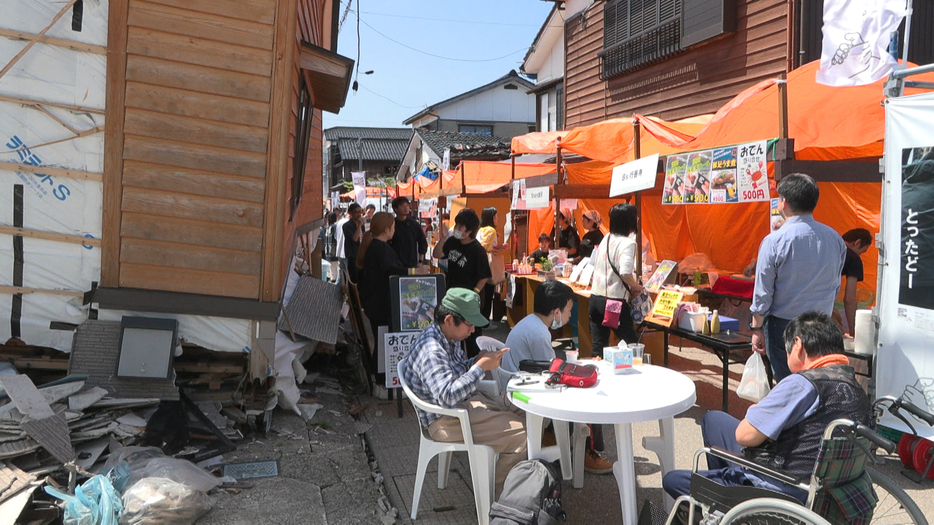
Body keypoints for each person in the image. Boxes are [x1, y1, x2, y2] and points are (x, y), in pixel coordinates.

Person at [662, 312, 871, 505]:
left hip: (780, 486)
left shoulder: (801, 383)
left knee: (673, 480)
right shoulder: (855, 387)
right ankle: (723, 500)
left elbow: (744, 436)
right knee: (713, 420)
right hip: (822, 487)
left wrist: (758, 410)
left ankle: (727, 504)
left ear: (797, 344)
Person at [398, 288, 527, 495]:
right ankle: (502, 502)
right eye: (469, 324)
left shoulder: (447, 337)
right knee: (522, 435)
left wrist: (476, 361)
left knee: (522, 411)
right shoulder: (432, 349)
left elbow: (455, 371)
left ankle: (511, 486)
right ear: (449, 320)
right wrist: (480, 368)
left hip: (462, 407)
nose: (473, 329)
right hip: (445, 419)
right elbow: (447, 396)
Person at [499, 280, 614, 474]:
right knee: (587, 396)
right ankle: (586, 452)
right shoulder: (538, 332)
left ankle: (556, 439)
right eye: (569, 310)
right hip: (525, 394)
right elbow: (554, 373)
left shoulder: (530, 323)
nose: (570, 315)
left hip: (519, 385)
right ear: (556, 311)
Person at [750, 173, 845, 382]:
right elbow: (835, 284)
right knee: (817, 383)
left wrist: (756, 328)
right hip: (822, 324)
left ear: (783, 202)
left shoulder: (774, 240)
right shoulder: (835, 238)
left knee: (789, 386)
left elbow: (763, 293)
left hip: (784, 326)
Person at [433, 208, 492, 358]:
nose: (457, 229)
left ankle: (475, 369)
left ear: (469, 231)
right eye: (457, 225)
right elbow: (437, 254)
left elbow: (484, 276)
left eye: (460, 227)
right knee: (453, 336)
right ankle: (456, 365)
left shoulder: (478, 251)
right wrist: (444, 237)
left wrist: (475, 293)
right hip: (452, 298)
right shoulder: (452, 241)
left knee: (472, 339)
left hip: (469, 301)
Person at [589, 203, 643, 358]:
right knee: (632, 344)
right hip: (613, 302)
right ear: (629, 221)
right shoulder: (628, 243)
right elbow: (625, 272)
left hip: (595, 298)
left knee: (599, 347)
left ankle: (597, 375)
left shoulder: (606, 238)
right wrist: (635, 286)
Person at [477, 207, 507, 324]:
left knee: (483, 292)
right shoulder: (491, 231)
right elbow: (484, 246)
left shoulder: (481, 230)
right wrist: (500, 248)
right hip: (488, 263)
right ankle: (485, 321)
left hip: (480, 263)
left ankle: (482, 319)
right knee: (489, 292)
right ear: (492, 217)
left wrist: (497, 247)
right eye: (496, 216)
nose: (497, 218)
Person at [840, 228, 872, 335]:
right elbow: (850, 299)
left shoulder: (825, 244)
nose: (860, 256)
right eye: (862, 252)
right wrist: (854, 332)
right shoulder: (853, 258)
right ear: (857, 243)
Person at [389, 197, 429, 269]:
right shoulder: (392, 224)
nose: (406, 208)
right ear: (395, 209)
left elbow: (422, 242)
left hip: (412, 263)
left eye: (407, 205)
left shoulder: (414, 224)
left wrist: (420, 261)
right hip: (395, 264)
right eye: (402, 206)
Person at [341, 203, 364, 283]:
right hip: (352, 255)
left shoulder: (361, 225)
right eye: (356, 212)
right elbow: (354, 238)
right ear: (350, 213)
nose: (358, 214)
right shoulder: (347, 226)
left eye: (360, 211)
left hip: (361, 254)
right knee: (354, 278)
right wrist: (359, 226)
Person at [321, 212, 339, 283]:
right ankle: (334, 279)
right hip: (334, 249)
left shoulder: (326, 227)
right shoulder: (335, 227)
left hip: (327, 249)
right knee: (336, 265)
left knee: (332, 266)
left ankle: (332, 278)